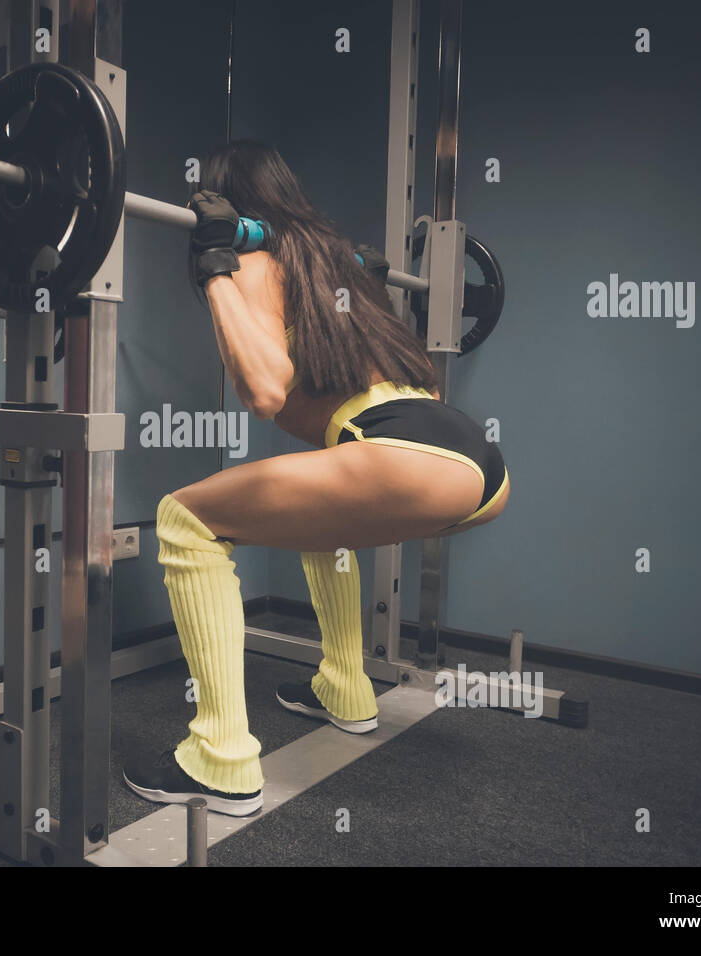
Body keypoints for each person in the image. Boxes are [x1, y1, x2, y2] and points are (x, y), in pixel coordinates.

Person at [123, 141, 511, 816]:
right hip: (474, 462)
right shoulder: (337, 270)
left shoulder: (253, 257)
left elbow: (266, 391)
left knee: (185, 518)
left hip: (405, 453)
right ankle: (345, 687)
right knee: (317, 523)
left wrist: (215, 263)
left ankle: (219, 760)